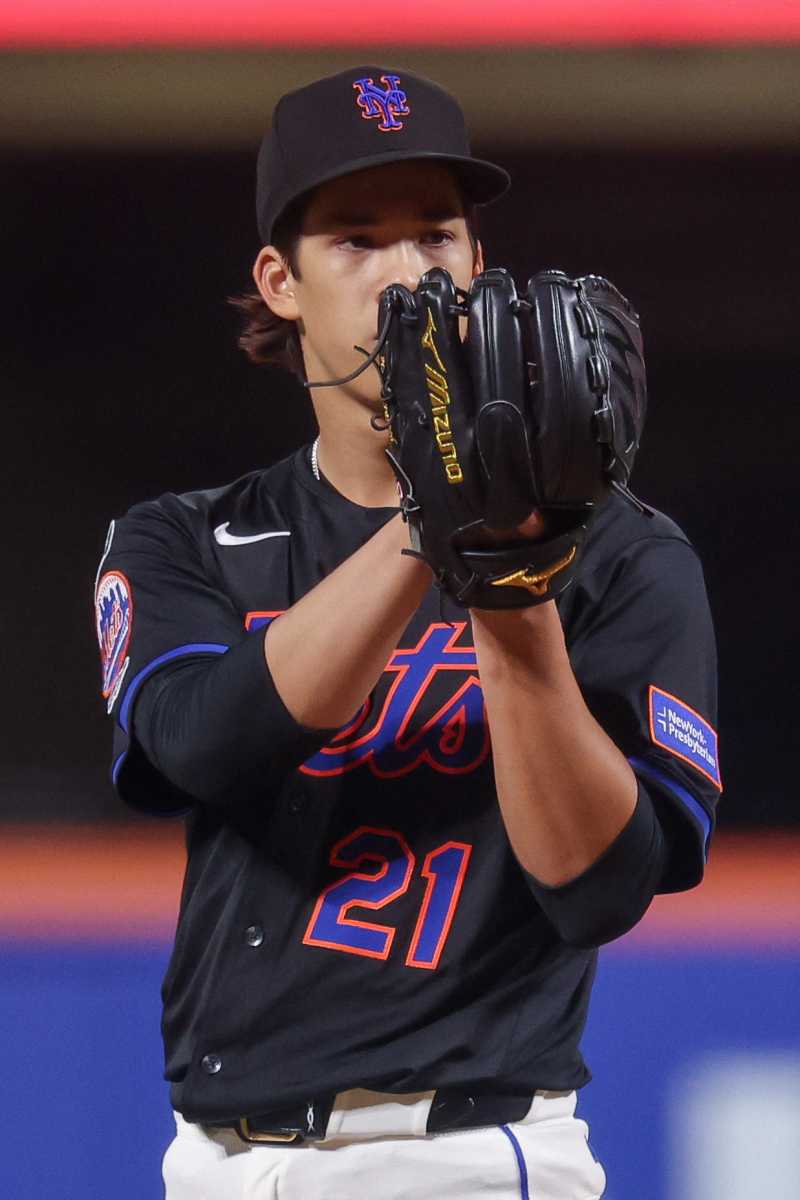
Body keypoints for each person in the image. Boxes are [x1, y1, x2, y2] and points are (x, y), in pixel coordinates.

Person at [93, 66, 721, 1200]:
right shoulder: (187, 537)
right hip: (214, 1162)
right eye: (356, 239)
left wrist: (513, 581)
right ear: (280, 281)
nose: (407, 272)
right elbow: (204, 745)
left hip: (463, 1155)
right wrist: (435, 523)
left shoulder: (622, 553)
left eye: (435, 233)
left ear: (477, 262)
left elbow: (600, 891)